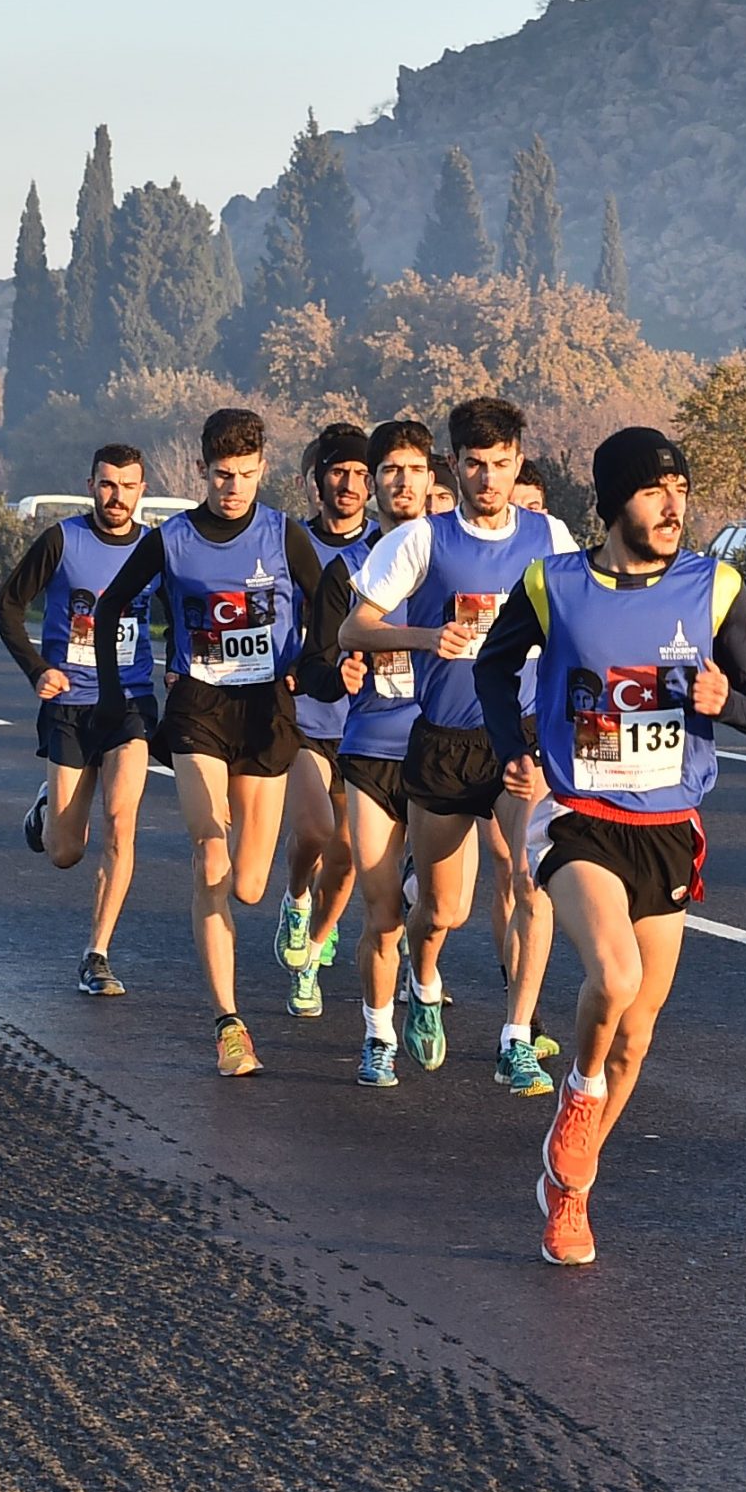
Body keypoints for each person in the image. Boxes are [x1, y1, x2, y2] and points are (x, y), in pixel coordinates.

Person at [477, 426, 746, 1267]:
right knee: (613, 977)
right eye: (655, 489)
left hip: (667, 827)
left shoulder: (715, 586)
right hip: (575, 811)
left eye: (682, 487)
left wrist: (727, 699)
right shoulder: (554, 583)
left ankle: (569, 1189)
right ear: (615, 502)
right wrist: (513, 746)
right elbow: (492, 667)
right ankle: (577, 1095)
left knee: (639, 1032)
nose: (674, 503)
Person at [342, 396, 579, 1097]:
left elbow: (581, 617)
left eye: (501, 464)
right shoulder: (420, 540)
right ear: (454, 463)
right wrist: (425, 638)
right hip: (443, 741)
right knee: (440, 909)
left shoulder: (549, 536)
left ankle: (515, 1038)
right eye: (474, 464)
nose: (488, 478)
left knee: (532, 879)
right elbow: (356, 629)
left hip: (521, 739)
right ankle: (418, 981)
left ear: (517, 461)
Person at [89, 408, 328, 1076]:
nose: (234, 487)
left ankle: (289, 899)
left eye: (246, 475)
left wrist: (315, 661)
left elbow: (329, 596)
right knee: (210, 853)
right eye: (222, 475)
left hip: (265, 710)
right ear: (201, 470)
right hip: (198, 705)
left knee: (250, 883)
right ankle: (229, 1022)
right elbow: (109, 607)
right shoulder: (173, 540)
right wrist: (112, 693)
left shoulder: (282, 534)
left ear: (262, 469)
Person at [0, 443, 160, 998]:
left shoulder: (156, 547)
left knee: (121, 820)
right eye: (108, 485)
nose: (118, 497)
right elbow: (8, 605)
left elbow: (184, 615)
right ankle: (47, 810)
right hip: (68, 703)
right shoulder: (65, 539)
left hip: (129, 702)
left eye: (128, 486)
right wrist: (37, 669)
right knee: (66, 851)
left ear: (142, 490)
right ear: (91, 485)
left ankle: (97, 953)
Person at [308, 419, 432, 1085]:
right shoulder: (346, 571)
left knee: (443, 909)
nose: (400, 482)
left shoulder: (454, 557)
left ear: (432, 479)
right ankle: (378, 1032)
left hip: (444, 748)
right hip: (371, 747)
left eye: (414, 469)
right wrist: (343, 675)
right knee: (381, 909)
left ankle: (430, 981)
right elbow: (322, 662)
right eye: (389, 470)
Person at [276, 424, 378, 1020]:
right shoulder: (290, 543)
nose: (350, 484)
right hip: (301, 710)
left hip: (364, 719)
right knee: (314, 829)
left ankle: (311, 956)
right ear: (316, 482)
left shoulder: (385, 549)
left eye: (361, 474)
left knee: (346, 851)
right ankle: (294, 900)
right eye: (338, 472)